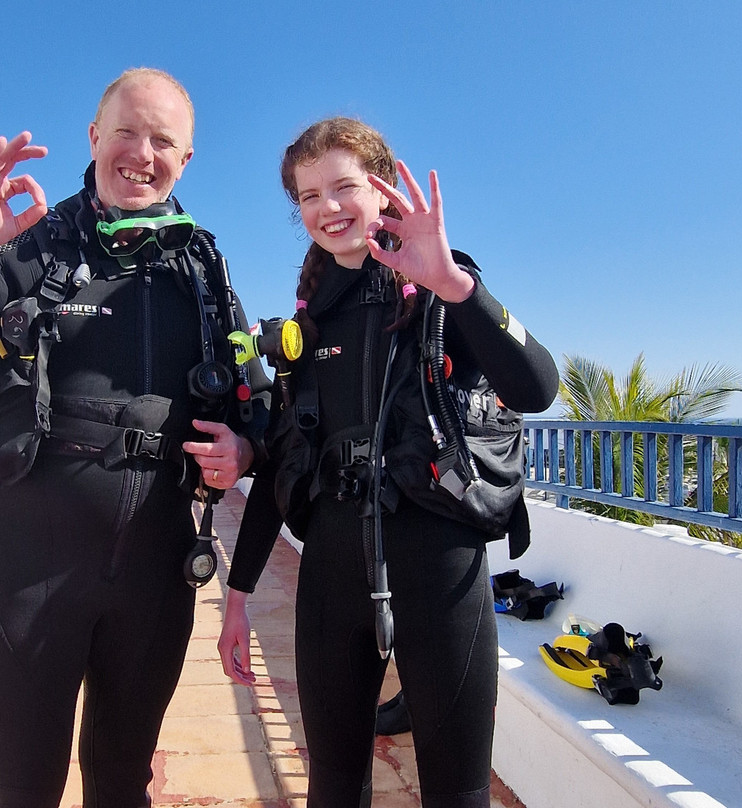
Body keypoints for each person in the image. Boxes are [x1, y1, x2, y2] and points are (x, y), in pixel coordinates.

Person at [0, 68, 267, 808]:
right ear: (93, 136)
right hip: (30, 568)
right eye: (125, 132)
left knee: (122, 784)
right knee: (20, 789)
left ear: (186, 159)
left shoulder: (203, 267)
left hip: (155, 570)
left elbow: (251, 402)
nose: (141, 154)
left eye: (163, 140)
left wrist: (240, 451)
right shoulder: (29, 245)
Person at [218, 117, 559, 807]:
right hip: (332, 574)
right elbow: (285, 464)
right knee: (335, 786)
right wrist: (238, 595)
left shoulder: (441, 287)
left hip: (442, 568)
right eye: (308, 197)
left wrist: (458, 286)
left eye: (344, 187)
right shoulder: (309, 323)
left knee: (457, 791)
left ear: (383, 191)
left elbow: (538, 387)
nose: (328, 208)